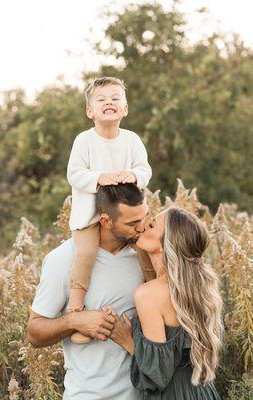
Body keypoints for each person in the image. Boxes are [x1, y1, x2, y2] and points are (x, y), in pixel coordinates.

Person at [27, 183, 148, 400]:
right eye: (132, 223)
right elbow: (34, 333)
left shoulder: (145, 256)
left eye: (144, 218)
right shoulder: (63, 259)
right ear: (106, 221)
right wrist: (75, 321)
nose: (142, 228)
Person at [67, 76, 152, 343]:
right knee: (85, 254)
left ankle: (155, 297)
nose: (109, 103)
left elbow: (145, 170)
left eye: (115, 98)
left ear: (125, 108)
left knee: (149, 248)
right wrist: (99, 177)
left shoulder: (131, 140)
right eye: (102, 100)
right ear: (90, 111)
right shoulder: (84, 141)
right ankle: (77, 312)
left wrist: (133, 174)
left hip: (127, 215)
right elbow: (74, 175)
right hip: (92, 217)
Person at [110, 206, 223, 399]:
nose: (143, 226)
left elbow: (158, 375)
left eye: (152, 225)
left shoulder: (149, 293)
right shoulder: (197, 286)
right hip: (202, 391)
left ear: (165, 243)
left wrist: (126, 340)